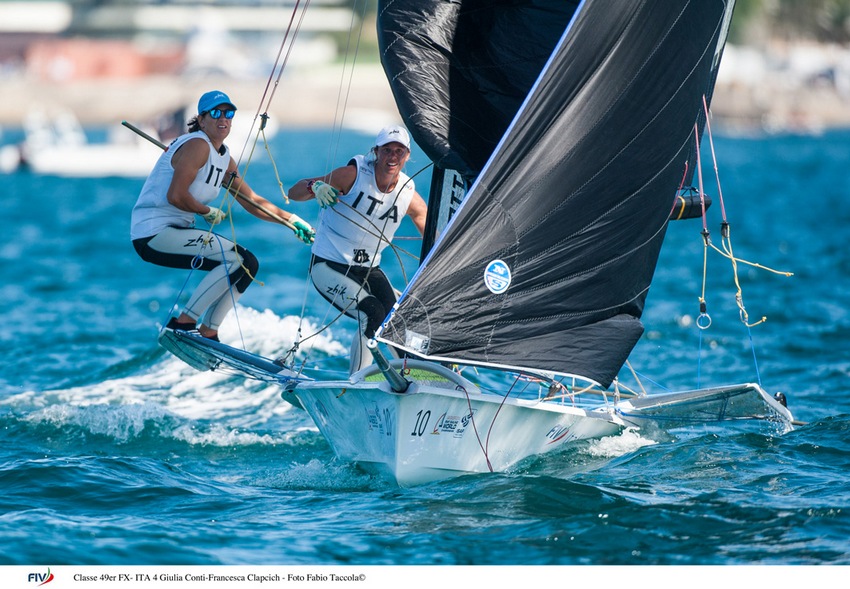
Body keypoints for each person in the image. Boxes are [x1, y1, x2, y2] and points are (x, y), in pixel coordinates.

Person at [131, 90, 315, 342]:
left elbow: (253, 202)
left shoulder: (224, 158)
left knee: (248, 264)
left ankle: (209, 330)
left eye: (229, 113)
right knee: (237, 260)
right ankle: (183, 323)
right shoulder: (196, 145)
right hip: (153, 233)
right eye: (216, 113)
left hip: (175, 232)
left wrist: (291, 220)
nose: (224, 119)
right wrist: (206, 211)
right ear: (202, 119)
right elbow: (175, 196)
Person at [289, 124, 428, 374]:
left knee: (397, 318)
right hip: (328, 265)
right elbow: (294, 192)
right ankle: (354, 384)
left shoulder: (408, 193)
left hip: (368, 270)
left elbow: (431, 231)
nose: (392, 157)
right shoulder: (352, 175)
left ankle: (415, 380)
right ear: (376, 152)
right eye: (387, 150)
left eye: (399, 151)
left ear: (407, 156)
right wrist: (315, 187)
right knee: (372, 312)